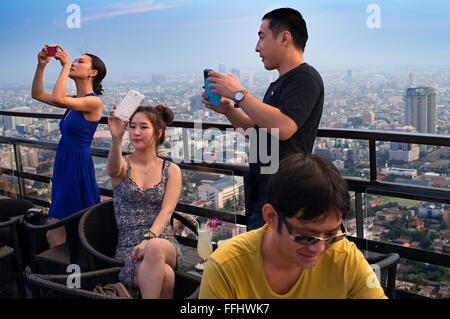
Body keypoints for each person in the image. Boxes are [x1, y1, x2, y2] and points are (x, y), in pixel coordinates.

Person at [199, 153, 387, 299]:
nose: (318, 248)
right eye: (305, 236)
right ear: (271, 217)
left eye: (331, 235)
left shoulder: (344, 256)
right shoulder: (227, 268)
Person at [202, 8, 324, 230]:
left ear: (284, 38)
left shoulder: (305, 78)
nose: (257, 47)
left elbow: (284, 127)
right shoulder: (279, 83)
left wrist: (239, 94)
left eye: (261, 37)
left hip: (285, 196)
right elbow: (259, 131)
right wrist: (229, 110)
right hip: (262, 192)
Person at [31, 45, 106, 248]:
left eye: (80, 61)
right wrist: (41, 66)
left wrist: (64, 66)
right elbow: (37, 94)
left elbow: (57, 98)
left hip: (76, 167)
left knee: (60, 231)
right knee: (64, 230)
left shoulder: (93, 102)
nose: (74, 62)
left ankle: (69, 274)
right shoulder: (75, 100)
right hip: (65, 163)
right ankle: (69, 273)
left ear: (93, 73)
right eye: (73, 61)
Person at [107, 105, 183, 299]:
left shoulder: (171, 170)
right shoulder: (124, 165)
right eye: (132, 127)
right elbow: (113, 171)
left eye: (143, 127)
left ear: (158, 133)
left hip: (163, 243)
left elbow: (167, 212)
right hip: (128, 250)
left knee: (155, 246)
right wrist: (116, 138)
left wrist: (149, 239)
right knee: (166, 277)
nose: (136, 132)